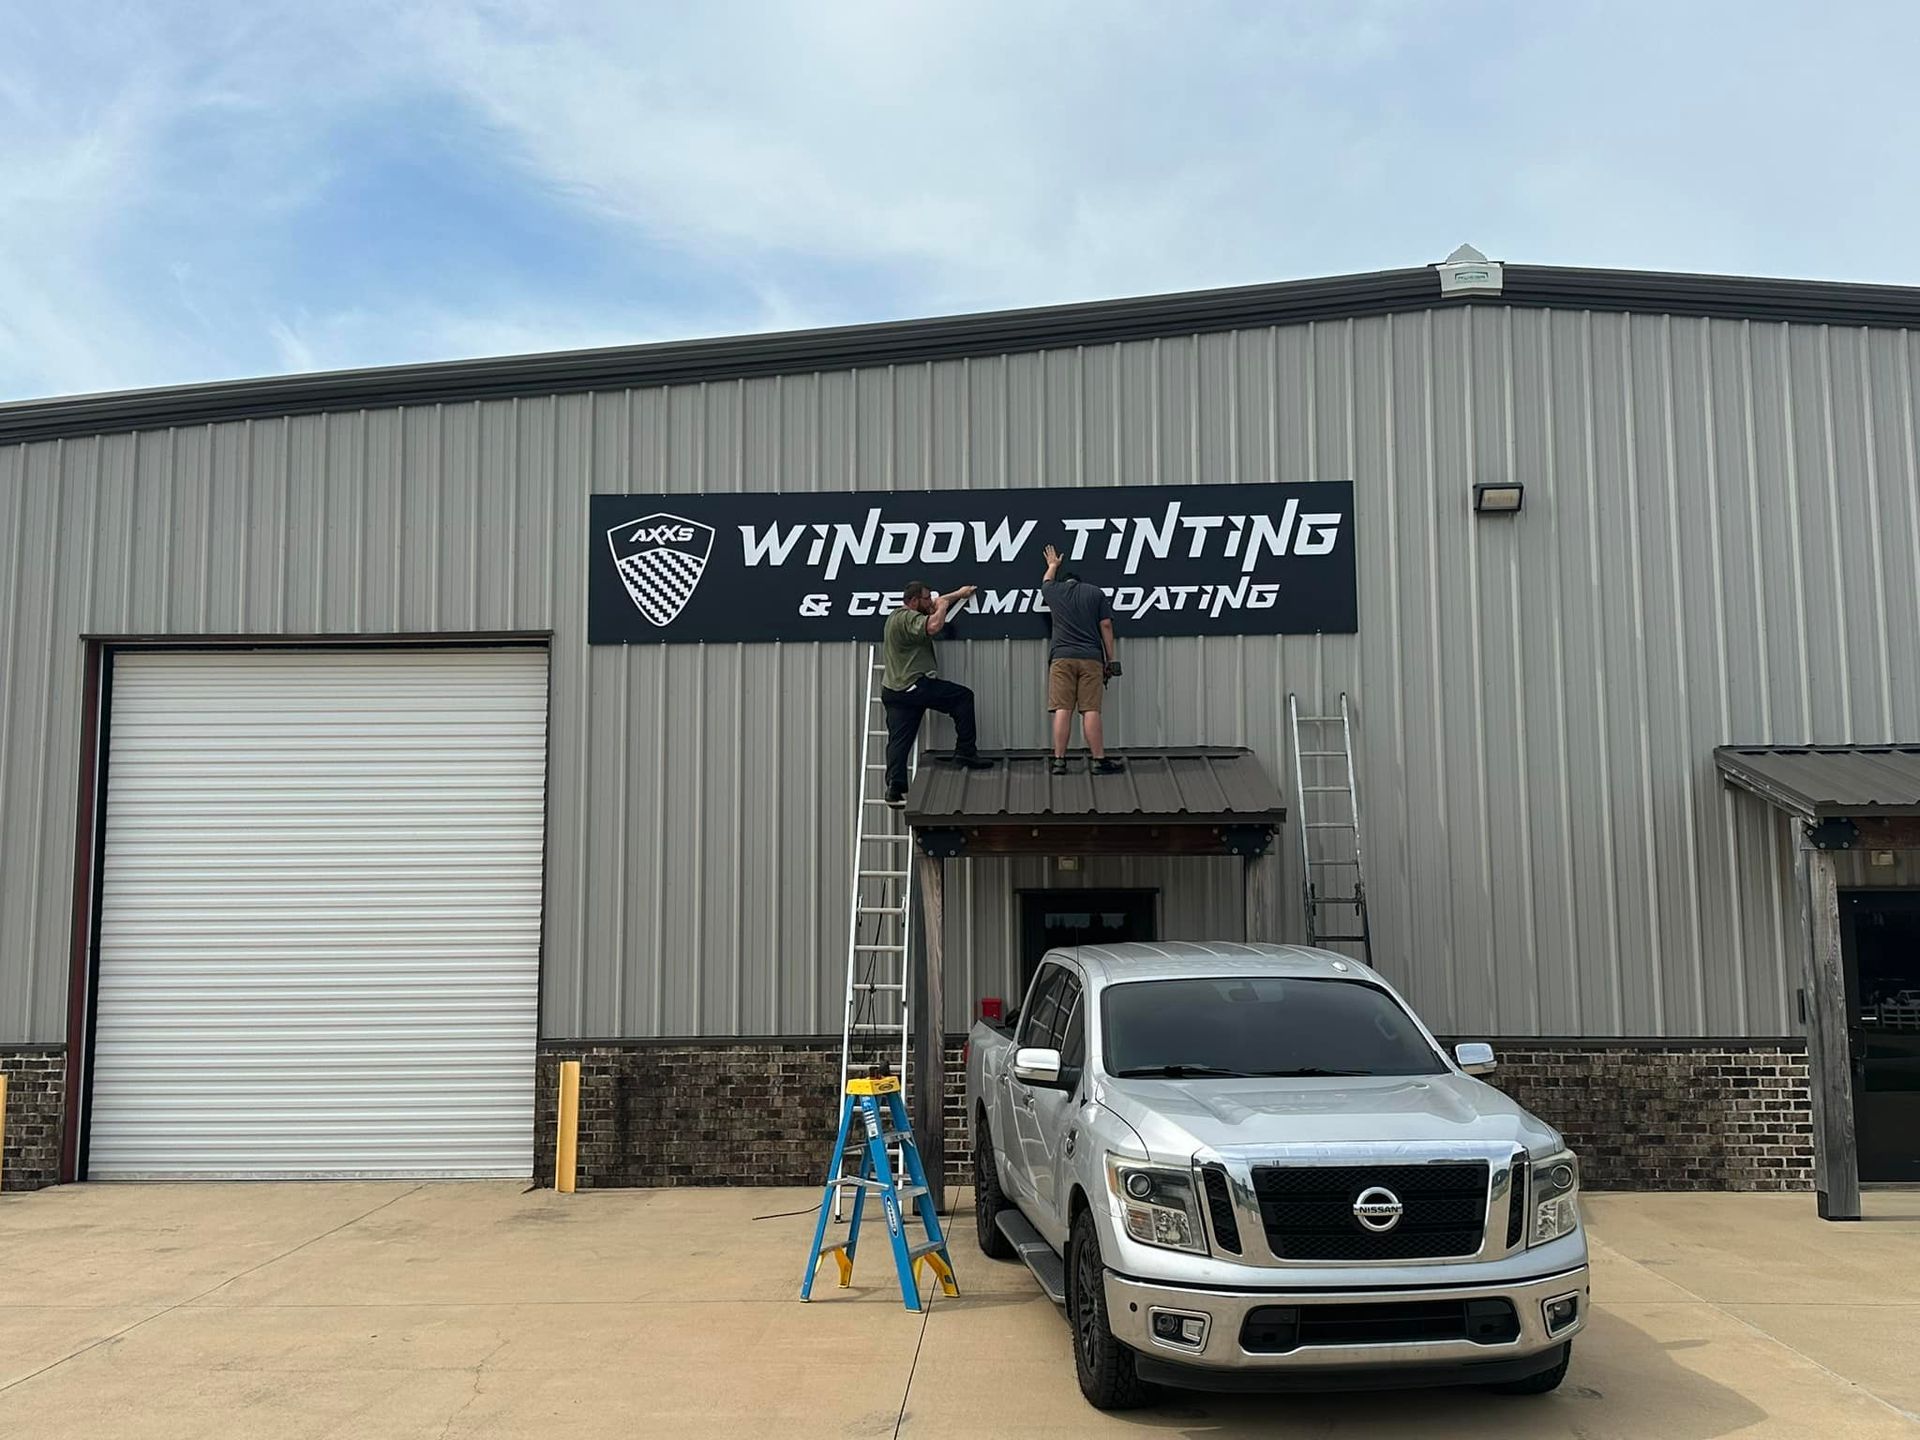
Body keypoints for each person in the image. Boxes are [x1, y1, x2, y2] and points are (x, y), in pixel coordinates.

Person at [881, 580, 994, 806]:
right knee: (963, 697)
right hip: (914, 685)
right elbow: (933, 626)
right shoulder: (908, 617)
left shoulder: (895, 617)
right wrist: (942, 607)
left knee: (899, 741)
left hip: (894, 690)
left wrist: (958, 594)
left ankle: (895, 787)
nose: (930, 601)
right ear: (913, 601)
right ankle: (965, 752)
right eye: (926, 598)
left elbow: (936, 602)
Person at [1041, 544, 1123, 776]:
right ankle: (1098, 761)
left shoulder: (1055, 592)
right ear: (1079, 582)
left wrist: (1052, 565)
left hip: (1062, 658)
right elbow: (1106, 625)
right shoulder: (1095, 593)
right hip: (1091, 659)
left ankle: (1059, 762)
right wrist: (1110, 659)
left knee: (1062, 709)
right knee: (1090, 710)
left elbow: (1045, 582)